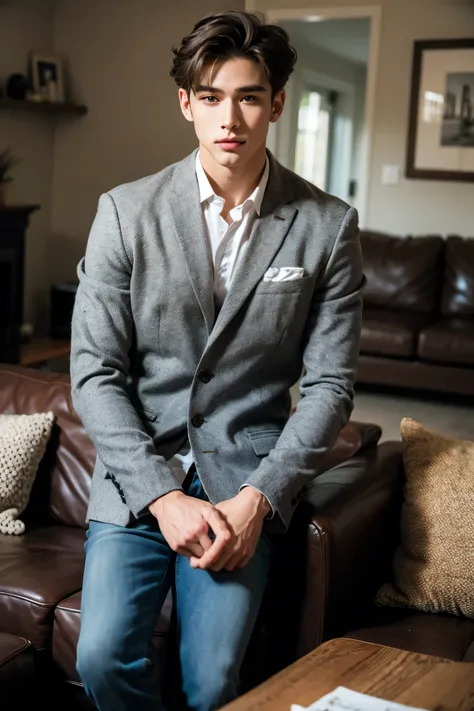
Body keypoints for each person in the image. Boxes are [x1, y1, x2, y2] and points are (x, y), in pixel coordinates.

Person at [70, 9, 364, 711]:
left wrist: (260, 498)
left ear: (277, 104)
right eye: (211, 97)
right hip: (138, 477)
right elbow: (94, 371)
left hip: (244, 481)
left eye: (249, 96)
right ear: (186, 104)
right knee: (102, 656)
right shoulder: (123, 212)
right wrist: (160, 494)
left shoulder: (328, 226)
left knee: (213, 682)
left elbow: (329, 385)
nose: (229, 117)